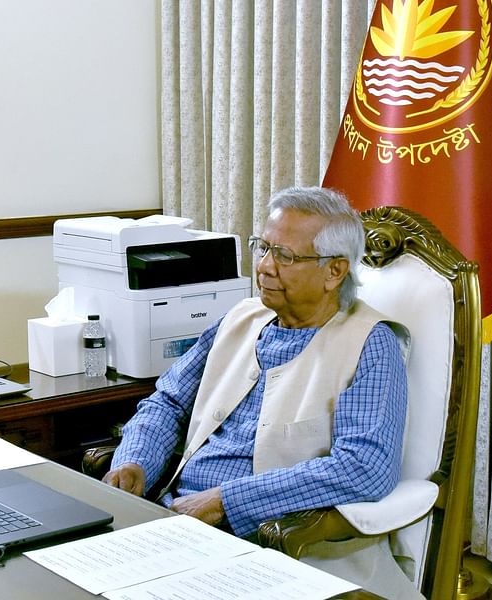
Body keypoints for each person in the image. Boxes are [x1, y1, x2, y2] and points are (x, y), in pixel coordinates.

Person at [103, 186, 419, 598]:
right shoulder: (242, 317)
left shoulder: (369, 344)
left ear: (334, 271)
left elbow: (364, 468)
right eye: (262, 248)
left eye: (284, 256)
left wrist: (226, 501)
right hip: (177, 524)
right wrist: (136, 461)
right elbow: (168, 401)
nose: (265, 267)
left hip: (277, 547)